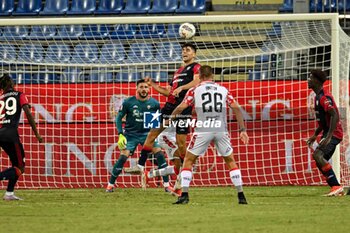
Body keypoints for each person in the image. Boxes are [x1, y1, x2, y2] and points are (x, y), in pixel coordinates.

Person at [170, 65, 249, 205]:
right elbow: (236, 108)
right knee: (230, 160)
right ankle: (241, 195)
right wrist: (242, 130)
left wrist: (171, 117)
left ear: (199, 76)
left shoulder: (194, 90)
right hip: (220, 128)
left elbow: (182, 107)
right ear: (213, 76)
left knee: (188, 160)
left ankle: (184, 195)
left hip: (204, 128)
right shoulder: (223, 90)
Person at [128, 42, 201, 182]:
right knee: (152, 133)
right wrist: (153, 85)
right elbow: (168, 92)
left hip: (184, 107)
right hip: (169, 106)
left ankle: (185, 171)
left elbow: (196, 82)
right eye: (183, 50)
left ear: (194, 54)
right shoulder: (177, 72)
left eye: (188, 50)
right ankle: (140, 165)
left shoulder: (196, 67)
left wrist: (182, 88)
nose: (184, 52)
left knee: (181, 143)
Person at [106, 79, 174, 194]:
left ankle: (167, 185)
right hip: (130, 135)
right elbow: (118, 117)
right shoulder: (128, 102)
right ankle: (110, 185)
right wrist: (120, 134)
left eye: (146, 87)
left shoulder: (154, 104)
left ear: (149, 89)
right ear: (137, 89)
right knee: (123, 156)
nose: (144, 89)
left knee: (159, 153)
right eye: (141, 87)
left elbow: (154, 123)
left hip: (147, 135)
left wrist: (155, 135)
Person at [0, 74, 43, 201]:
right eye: (12, 81)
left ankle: (9, 193)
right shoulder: (19, 94)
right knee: (20, 167)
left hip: (1, 132)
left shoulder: (1, 98)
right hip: (11, 135)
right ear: (10, 84)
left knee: (15, 164)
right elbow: (28, 114)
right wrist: (37, 134)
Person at [306, 69, 344, 196]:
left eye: (310, 77)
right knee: (319, 159)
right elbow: (324, 121)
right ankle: (336, 188)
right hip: (328, 132)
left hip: (334, 133)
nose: (308, 80)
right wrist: (316, 134)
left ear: (317, 81)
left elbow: (334, 115)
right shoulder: (318, 97)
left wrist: (328, 136)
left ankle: (336, 186)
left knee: (318, 155)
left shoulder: (324, 97)